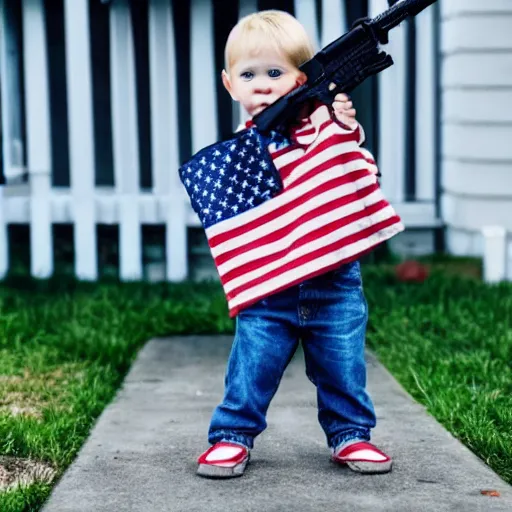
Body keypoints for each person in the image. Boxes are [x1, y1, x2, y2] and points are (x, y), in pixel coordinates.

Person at [196, 9, 392, 478]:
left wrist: (341, 120)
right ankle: (232, 435)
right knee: (251, 368)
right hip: (272, 286)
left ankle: (351, 435)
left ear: (300, 78)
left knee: (343, 367)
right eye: (249, 74)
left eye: (275, 73)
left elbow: (349, 156)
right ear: (229, 84)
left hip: (333, 282)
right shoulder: (243, 151)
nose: (261, 85)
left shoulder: (322, 127)